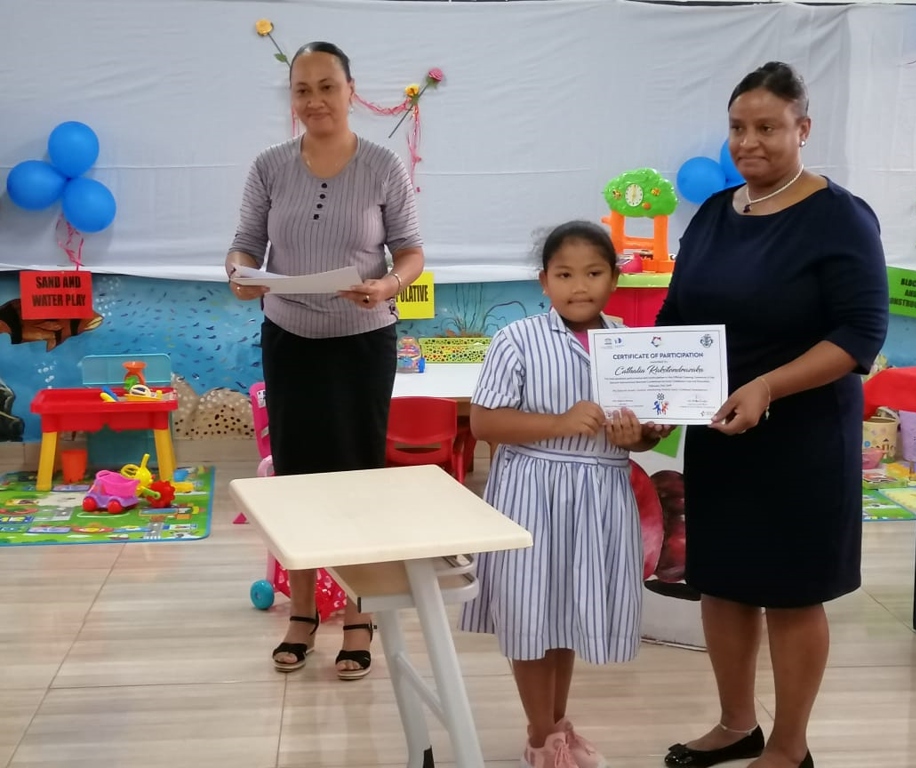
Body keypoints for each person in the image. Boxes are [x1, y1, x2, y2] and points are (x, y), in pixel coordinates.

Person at [657, 62, 888, 768]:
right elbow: (676, 316)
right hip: (720, 434)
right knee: (723, 583)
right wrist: (653, 400)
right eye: (737, 128)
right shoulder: (713, 213)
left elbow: (860, 333)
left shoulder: (840, 216)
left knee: (791, 593)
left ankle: (789, 747)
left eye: (767, 127)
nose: (748, 142)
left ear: (802, 128)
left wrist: (768, 386)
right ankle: (737, 726)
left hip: (802, 439)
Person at [226, 41, 425, 680]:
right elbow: (244, 245)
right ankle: (304, 612)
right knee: (297, 479)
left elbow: (411, 251)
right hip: (289, 339)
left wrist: (387, 285)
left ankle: (361, 615)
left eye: (327, 87)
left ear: (350, 90)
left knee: (359, 477)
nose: (314, 101)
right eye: (302, 89)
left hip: (363, 342)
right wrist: (238, 273)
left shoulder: (383, 165)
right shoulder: (269, 165)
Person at [460, 221, 673, 768]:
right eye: (564, 274)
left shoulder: (630, 344)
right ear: (544, 281)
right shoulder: (517, 339)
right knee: (531, 613)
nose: (579, 286)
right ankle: (541, 738)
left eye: (594, 273)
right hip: (531, 492)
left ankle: (555, 728)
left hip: (599, 495)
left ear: (615, 279)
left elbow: (651, 433)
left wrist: (641, 435)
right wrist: (558, 422)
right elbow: (484, 423)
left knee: (567, 613)